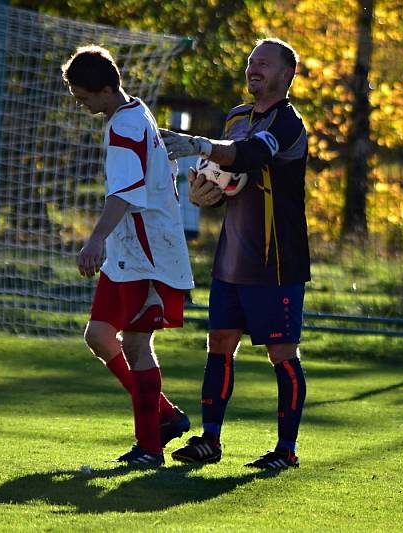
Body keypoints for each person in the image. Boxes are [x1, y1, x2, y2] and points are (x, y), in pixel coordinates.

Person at [160, 38, 309, 470]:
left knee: (282, 353)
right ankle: (210, 440)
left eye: (263, 63)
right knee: (220, 342)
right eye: (250, 62)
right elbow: (228, 177)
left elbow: (251, 155)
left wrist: (197, 145)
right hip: (232, 257)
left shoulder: (289, 124)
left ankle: (286, 450)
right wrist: (205, 193)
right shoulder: (236, 117)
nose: (253, 68)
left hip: (277, 259)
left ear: (286, 75)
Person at [61, 45, 194, 467]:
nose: (79, 103)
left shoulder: (125, 126)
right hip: (130, 253)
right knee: (99, 337)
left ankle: (149, 448)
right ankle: (166, 418)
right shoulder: (135, 112)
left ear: (104, 89)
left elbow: (125, 193)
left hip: (146, 255)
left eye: (83, 96)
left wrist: (95, 239)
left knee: (136, 343)